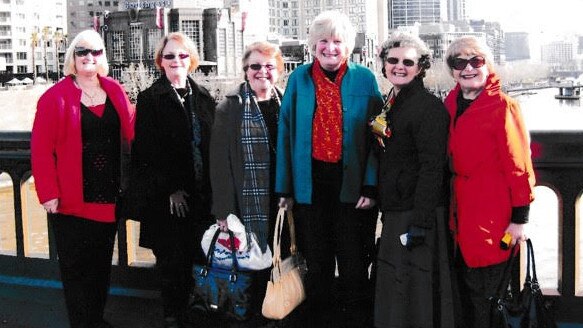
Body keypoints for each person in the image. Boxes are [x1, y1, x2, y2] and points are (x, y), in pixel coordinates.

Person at [275, 10, 383, 327]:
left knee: (353, 263)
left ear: (348, 45)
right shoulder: (298, 79)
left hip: (353, 188)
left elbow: (379, 136)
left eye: (337, 41)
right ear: (313, 45)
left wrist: (370, 185)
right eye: (323, 41)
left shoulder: (366, 79)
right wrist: (285, 187)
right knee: (317, 263)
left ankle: (355, 320)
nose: (330, 48)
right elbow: (286, 132)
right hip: (311, 185)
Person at [31, 29, 135, 328]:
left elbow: (133, 127)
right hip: (69, 201)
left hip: (107, 197)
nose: (89, 57)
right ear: (72, 58)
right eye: (82, 52)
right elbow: (40, 149)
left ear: (103, 57)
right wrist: (48, 192)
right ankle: (83, 323)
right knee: (76, 271)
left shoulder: (114, 89)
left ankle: (95, 320)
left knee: (100, 268)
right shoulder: (55, 97)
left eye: (96, 52)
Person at [444, 36, 536, 328]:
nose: (468, 68)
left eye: (476, 61)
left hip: (493, 216)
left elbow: (519, 164)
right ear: (452, 69)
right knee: (467, 294)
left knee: (489, 297)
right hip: (459, 214)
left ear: (487, 64)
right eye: (459, 62)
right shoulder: (450, 102)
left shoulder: (502, 106)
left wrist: (520, 219)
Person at [130, 32, 215, 328]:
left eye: (182, 55)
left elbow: (212, 147)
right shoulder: (150, 98)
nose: (176, 60)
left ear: (191, 59)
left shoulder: (204, 97)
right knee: (172, 268)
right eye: (169, 56)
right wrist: (171, 189)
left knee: (200, 265)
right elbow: (145, 153)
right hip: (168, 203)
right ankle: (173, 320)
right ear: (160, 61)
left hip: (202, 200)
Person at [372, 32, 455, 328]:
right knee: (399, 288)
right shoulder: (392, 101)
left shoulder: (428, 107)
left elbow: (433, 168)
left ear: (420, 67)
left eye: (408, 62)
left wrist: (420, 222)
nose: (399, 66)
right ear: (383, 65)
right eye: (392, 61)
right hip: (396, 208)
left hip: (417, 213)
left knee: (417, 293)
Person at [209, 41, 284, 325]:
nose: (262, 72)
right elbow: (219, 164)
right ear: (245, 70)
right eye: (255, 66)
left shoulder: (285, 103)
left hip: (280, 201)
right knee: (248, 272)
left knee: (276, 267)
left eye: (269, 66)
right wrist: (223, 211)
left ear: (278, 70)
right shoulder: (230, 108)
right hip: (244, 205)